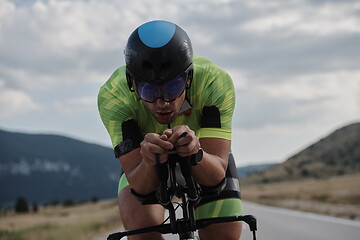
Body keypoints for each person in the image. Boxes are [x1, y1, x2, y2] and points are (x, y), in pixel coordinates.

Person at [98, 20, 242, 240]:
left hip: (204, 155)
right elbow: (139, 185)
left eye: (172, 87)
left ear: (189, 79)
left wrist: (196, 153)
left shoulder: (215, 82)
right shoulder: (114, 96)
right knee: (141, 230)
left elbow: (215, 176)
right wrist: (149, 161)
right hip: (144, 160)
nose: (162, 102)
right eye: (148, 90)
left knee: (224, 234)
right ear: (132, 84)